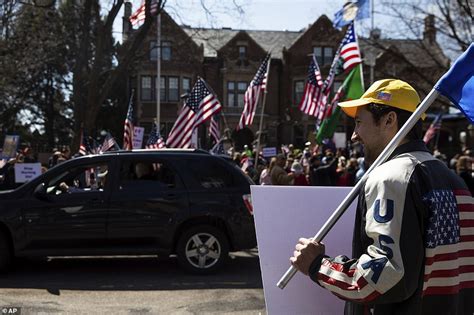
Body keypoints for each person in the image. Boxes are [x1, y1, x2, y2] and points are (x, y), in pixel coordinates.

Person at [290, 79, 474, 314]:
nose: (354, 135)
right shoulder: (455, 180)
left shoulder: (391, 177)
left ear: (389, 120)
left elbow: (385, 276)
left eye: (359, 122)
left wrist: (318, 266)